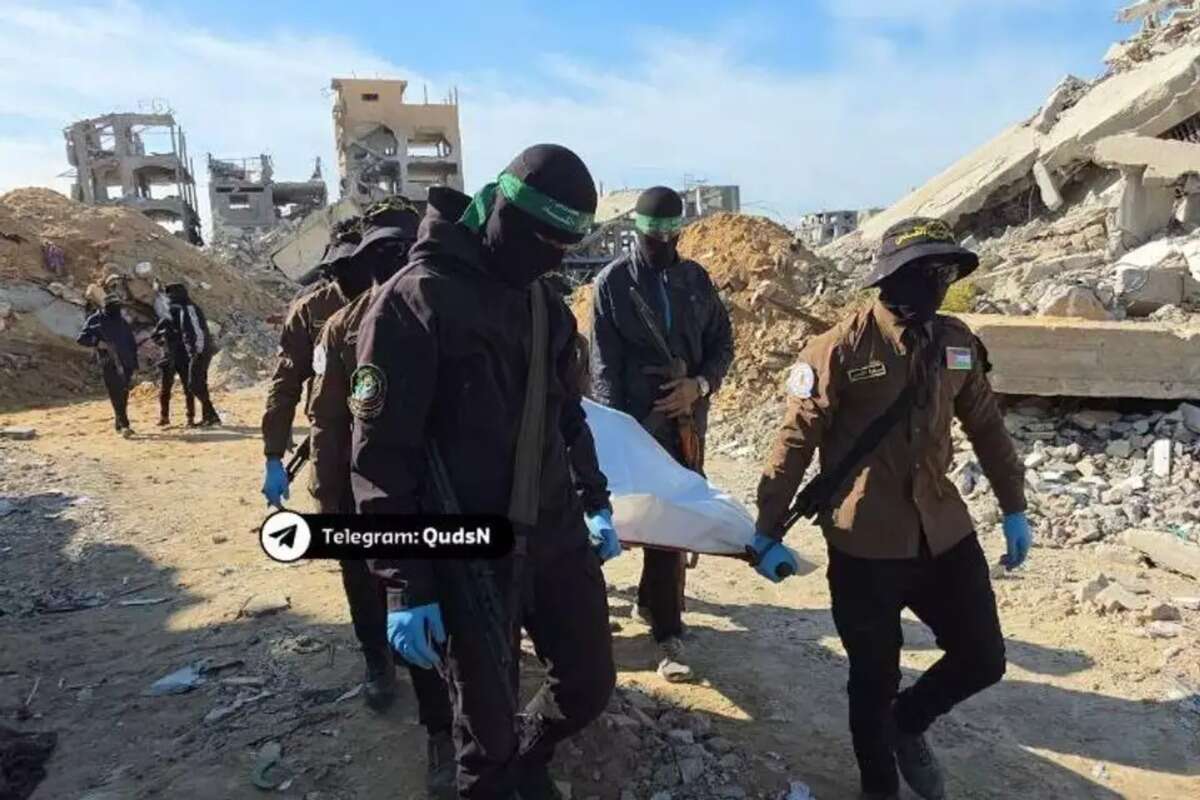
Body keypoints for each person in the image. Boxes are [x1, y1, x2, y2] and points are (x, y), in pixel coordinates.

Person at [351, 144, 619, 800]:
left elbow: (568, 415)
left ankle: (527, 760)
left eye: (567, 248)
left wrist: (595, 499)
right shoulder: (414, 301)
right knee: (484, 738)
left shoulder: (543, 304)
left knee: (587, 684)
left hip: (554, 531)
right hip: (466, 553)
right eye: (545, 243)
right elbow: (381, 462)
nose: (553, 260)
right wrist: (405, 587)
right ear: (503, 214)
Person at [750, 217, 1033, 800]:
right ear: (893, 277)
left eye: (946, 272)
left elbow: (986, 426)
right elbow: (795, 441)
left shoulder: (956, 342)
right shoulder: (839, 349)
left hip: (943, 531)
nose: (939, 283)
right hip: (866, 543)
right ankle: (879, 786)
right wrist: (767, 528)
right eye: (928, 271)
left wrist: (1013, 505)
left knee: (983, 657)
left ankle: (908, 722)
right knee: (872, 680)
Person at [308, 201, 456, 795]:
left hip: (455, 494)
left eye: (401, 248)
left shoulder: (456, 304)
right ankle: (438, 731)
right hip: (384, 493)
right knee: (402, 600)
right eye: (380, 253)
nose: (392, 263)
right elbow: (328, 421)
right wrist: (333, 503)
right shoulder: (344, 327)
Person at [588, 186, 733, 682]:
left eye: (669, 237)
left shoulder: (696, 281)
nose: (660, 246)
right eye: (652, 237)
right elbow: (603, 367)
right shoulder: (612, 283)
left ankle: (667, 629)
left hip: (685, 424)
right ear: (638, 232)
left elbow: (721, 344)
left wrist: (698, 386)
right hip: (633, 425)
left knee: (673, 520)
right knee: (613, 518)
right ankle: (586, 617)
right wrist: (616, 434)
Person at [260, 221, 362, 506]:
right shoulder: (310, 309)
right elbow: (285, 382)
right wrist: (274, 453)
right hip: (330, 434)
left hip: (385, 433)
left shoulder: (392, 300)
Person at [77, 293, 139, 436]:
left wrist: (135, 365)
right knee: (116, 393)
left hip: (126, 362)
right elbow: (81, 339)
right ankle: (125, 425)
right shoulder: (95, 319)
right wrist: (98, 342)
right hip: (109, 362)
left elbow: (131, 344)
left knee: (123, 394)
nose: (117, 310)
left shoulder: (122, 321)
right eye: (114, 307)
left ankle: (119, 423)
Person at [166, 283, 222, 426]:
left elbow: (197, 331)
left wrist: (196, 351)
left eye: (171, 295)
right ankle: (209, 417)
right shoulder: (185, 308)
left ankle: (212, 415)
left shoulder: (189, 309)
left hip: (199, 351)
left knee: (194, 385)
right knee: (200, 384)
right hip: (199, 351)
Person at [151, 284, 194, 426]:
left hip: (178, 356)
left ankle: (180, 417)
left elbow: (155, 336)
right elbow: (155, 336)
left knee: (181, 389)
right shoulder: (169, 319)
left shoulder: (181, 317)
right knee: (173, 389)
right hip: (173, 357)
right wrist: (163, 341)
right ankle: (182, 417)